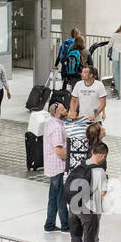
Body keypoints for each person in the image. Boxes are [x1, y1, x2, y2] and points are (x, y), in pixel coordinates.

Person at [67, 140, 109, 242]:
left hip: (73, 205)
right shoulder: (100, 171)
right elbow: (102, 193)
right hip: (89, 208)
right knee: (89, 235)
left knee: (75, 235)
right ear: (102, 155)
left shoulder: (80, 166)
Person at [42, 100, 70, 233]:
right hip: (58, 167)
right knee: (61, 198)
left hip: (51, 166)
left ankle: (49, 224)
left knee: (53, 197)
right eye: (64, 109)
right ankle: (66, 226)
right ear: (58, 113)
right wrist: (70, 159)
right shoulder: (57, 129)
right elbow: (58, 150)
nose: (66, 110)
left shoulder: (50, 123)